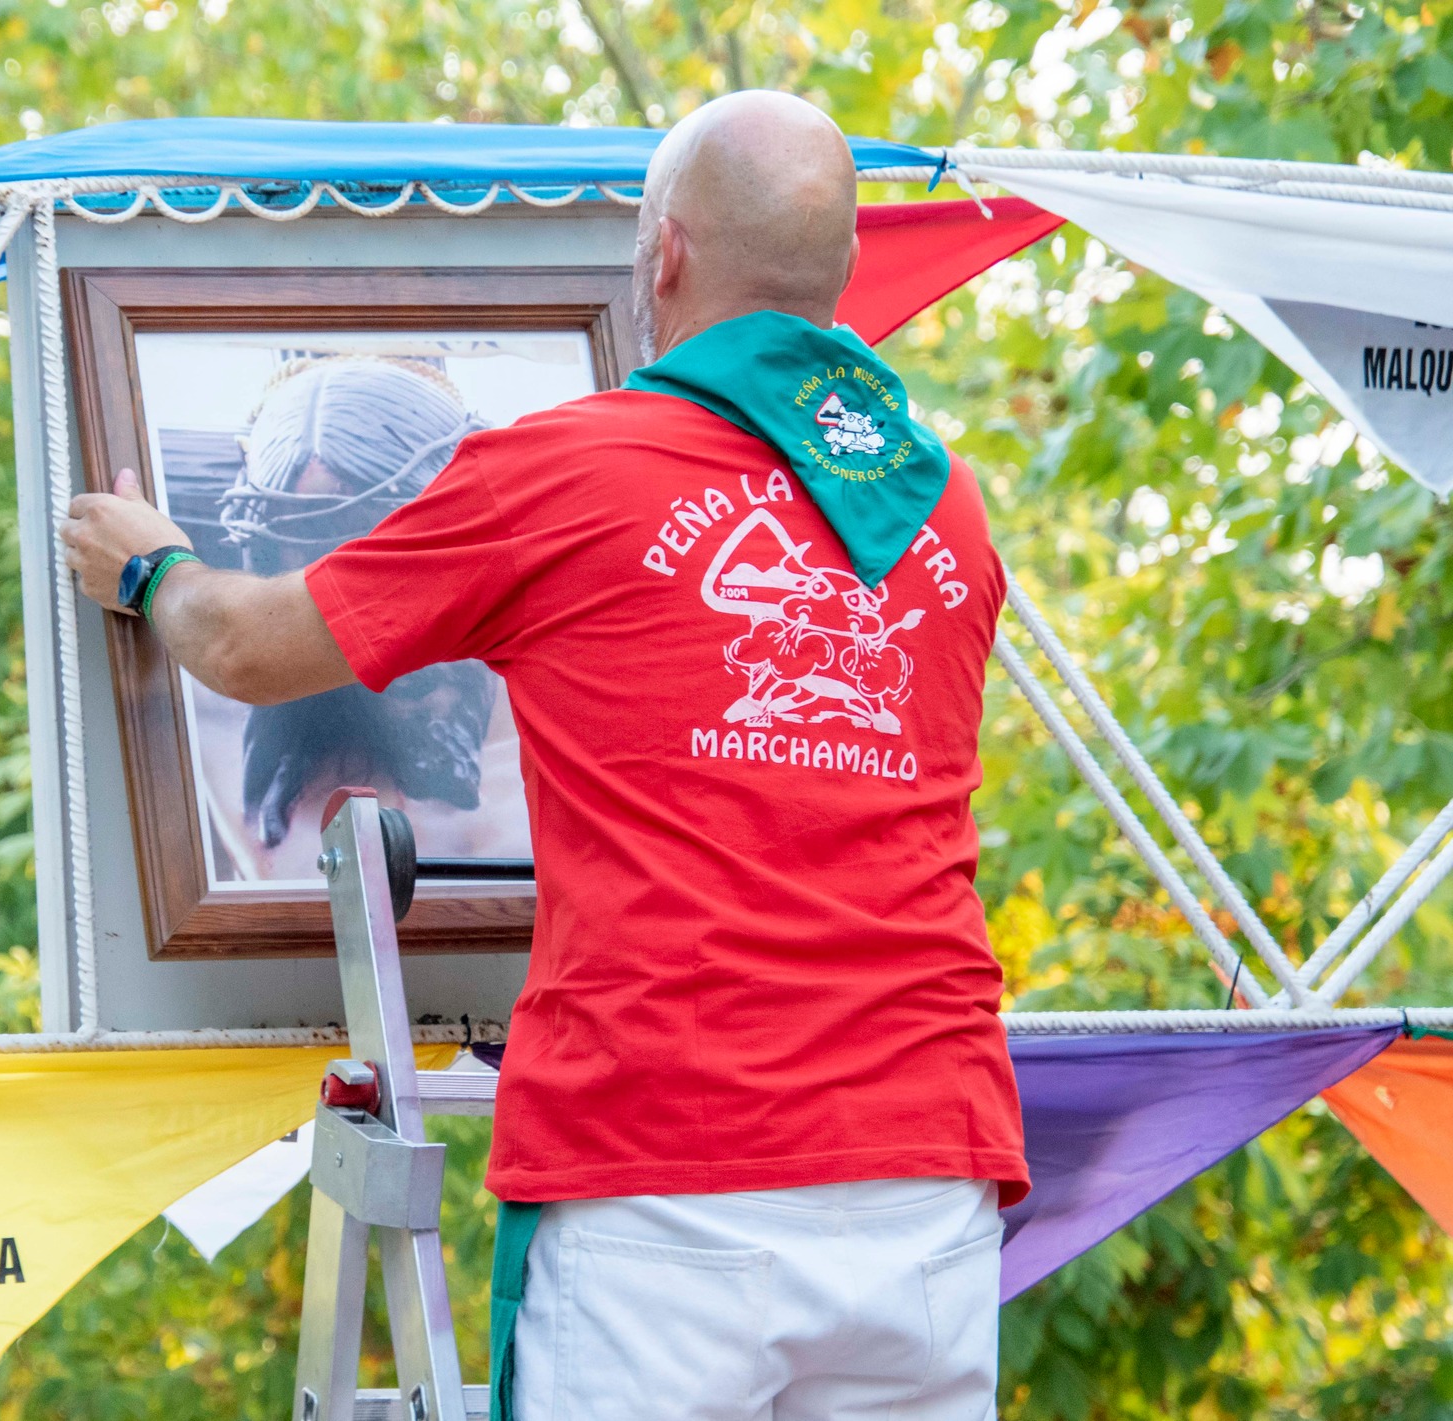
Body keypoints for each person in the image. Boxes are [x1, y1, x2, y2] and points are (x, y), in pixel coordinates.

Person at [62, 90, 1027, 1421]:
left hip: (671, 1175)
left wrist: (151, 570)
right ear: (844, 273)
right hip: (930, 1174)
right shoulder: (949, 510)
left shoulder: (570, 471)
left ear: (667, 258)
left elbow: (247, 647)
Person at [215, 358, 496, 849]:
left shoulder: (542, 722)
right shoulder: (199, 745)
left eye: (370, 528)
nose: (344, 583)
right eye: (309, 532)